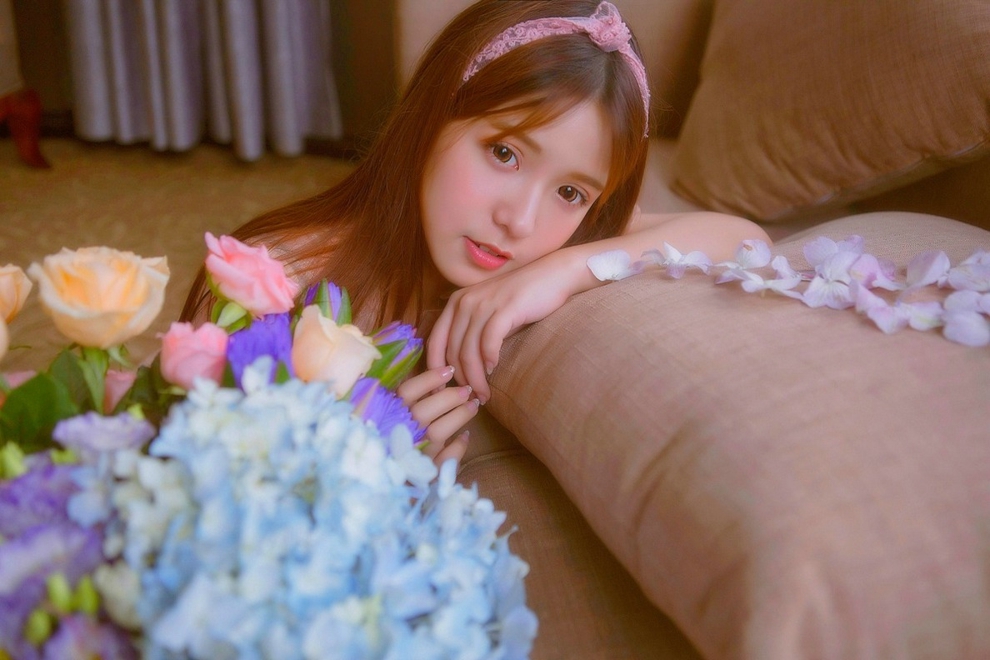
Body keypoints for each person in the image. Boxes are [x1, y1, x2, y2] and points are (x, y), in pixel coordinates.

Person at [181, 0, 770, 465]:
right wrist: (367, 457)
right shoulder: (272, 279)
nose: (520, 221)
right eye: (504, 153)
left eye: (570, 192)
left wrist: (561, 271)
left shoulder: (565, 244)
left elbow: (747, 242)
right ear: (432, 115)